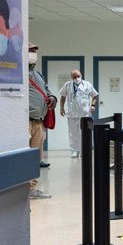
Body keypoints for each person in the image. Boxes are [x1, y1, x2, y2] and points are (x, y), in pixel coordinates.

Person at [28, 42, 57, 198]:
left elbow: (46, 90)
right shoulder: (17, 74)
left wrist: (52, 97)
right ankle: (19, 190)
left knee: (35, 157)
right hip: (24, 120)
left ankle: (31, 188)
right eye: (30, 51)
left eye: (34, 51)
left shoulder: (37, 74)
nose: (33, 54)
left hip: (38, 121)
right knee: (23, 156)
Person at [58, 69, 98, 158]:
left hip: (85, 114)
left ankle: (84, 150)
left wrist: (93, 105)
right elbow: (63, 97)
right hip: (72, 114)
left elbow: (95, 95)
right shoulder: (67, 85)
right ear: (71, 77)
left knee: (85, 133)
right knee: (73, 134)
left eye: (78, 76)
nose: (77, 78)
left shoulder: (87, 84)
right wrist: (61, 108)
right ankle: (74, 151)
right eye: (74, 77)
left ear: (81, 75)